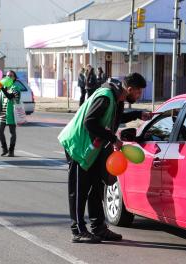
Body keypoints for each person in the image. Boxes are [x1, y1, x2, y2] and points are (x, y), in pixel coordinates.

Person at [58, 72, 152, 243]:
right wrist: (113, 139)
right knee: (79, 190)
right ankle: (78, 230)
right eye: (138, 92)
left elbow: (114, 118)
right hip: (78, 146)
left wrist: (138, 114)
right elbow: (90, 121)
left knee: (96, 188)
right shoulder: (107, 97)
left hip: (92, 148)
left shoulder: (117, 97)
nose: (139, 96)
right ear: (129, 89)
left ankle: (98, 228)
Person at [0, 70, 22, 157]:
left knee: (12, 132)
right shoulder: (3, 86)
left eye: (11, 75)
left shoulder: (15, 87)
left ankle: (11, 151)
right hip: (3, 113)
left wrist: (2, 89)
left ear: (14, 78)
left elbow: (10, 96)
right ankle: (4, 149)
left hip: (11, 113)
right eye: (7, 75)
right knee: (0, 131)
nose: (8, 77)